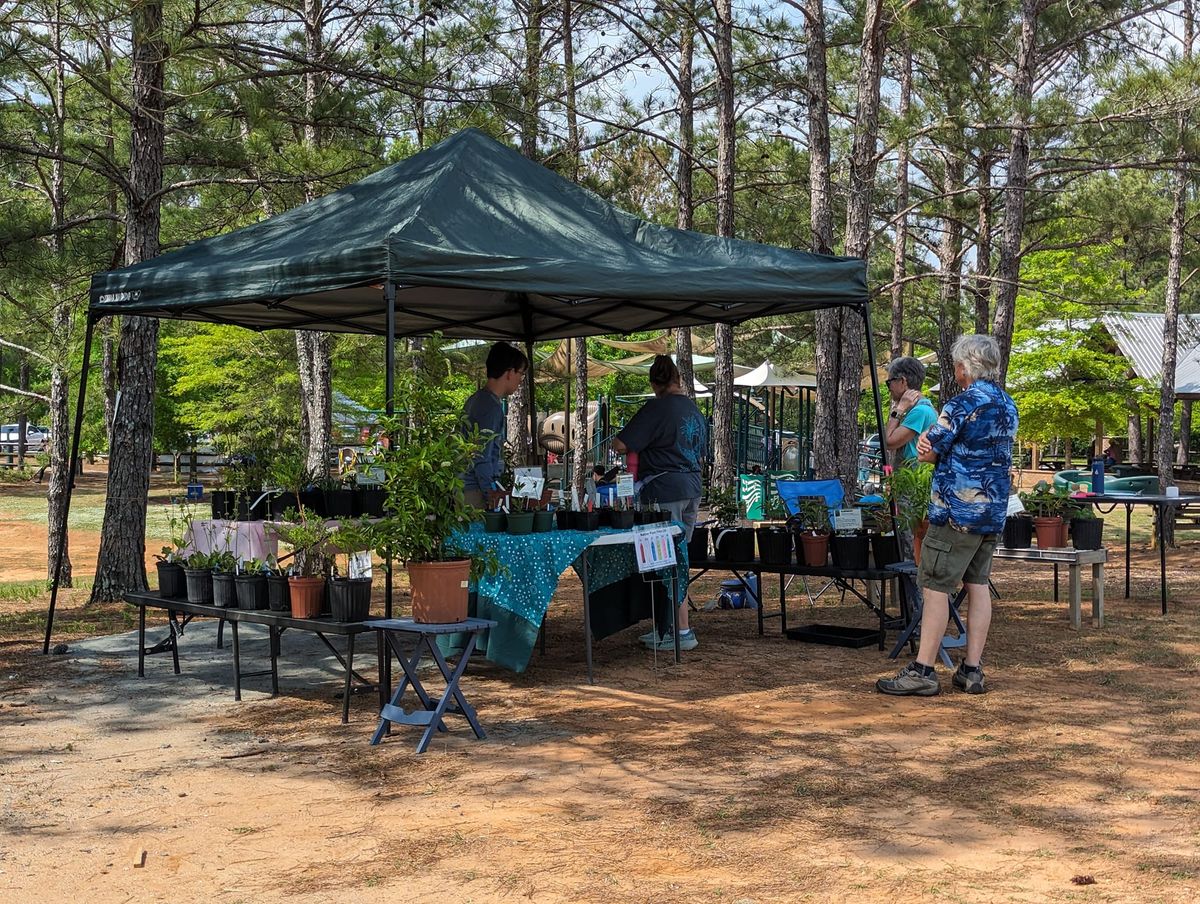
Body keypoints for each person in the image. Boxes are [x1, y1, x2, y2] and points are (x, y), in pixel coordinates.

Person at [877, 334, 1018, 697]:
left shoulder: (960, 405)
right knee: (978, 585)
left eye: (956, 363)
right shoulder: (1007, 404)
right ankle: (972, 669)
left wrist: (933, 449)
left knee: (936, 585)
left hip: (956, 510)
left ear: (964, 367)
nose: (955, 369)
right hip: (992, 510)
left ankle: (923, 669)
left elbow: (927, 450)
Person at [612, 355, 707, 652]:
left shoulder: (657, 408)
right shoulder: (694, 409)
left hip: (664, 490)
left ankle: (679, 630)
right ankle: (668, 627)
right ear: (678, 379)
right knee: (679, 559)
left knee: (666, 560)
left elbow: (621, 443)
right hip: (692, 487)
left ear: (655, 383)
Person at [461, 342, 528, 509]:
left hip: (468, 487)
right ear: (509, 372)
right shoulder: (489, 407)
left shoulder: (477, 400)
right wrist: (492, 494)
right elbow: (481, 456)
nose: (521, 380)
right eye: (521, 373)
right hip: (475, 492)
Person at [883, 356, 938, 466]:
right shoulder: (921, 408)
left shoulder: (920, 411)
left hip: (914, 479)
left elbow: (887, 442)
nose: (889, 388)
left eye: (889, 382)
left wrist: (898, 410)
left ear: (902, 381)